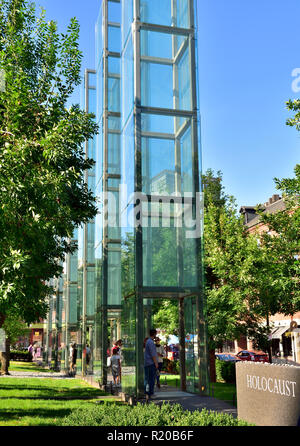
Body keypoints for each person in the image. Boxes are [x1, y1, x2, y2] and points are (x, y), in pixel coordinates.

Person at [144, 329, 159, 402]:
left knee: (147, 378)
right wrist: (156, 363)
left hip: (147, 363)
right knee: (151, 379)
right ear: (154, 334)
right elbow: (153, 354)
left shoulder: (148, 341)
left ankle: (146, 393)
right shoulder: (151, 342)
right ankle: (150, 393)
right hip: (151, 363)